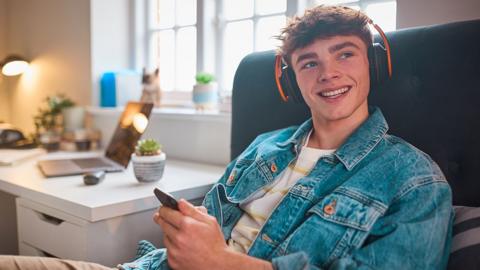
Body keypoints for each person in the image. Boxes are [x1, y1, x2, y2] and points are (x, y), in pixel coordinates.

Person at [0, 5, 453, 270]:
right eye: (309, 62)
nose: (328, 73)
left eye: (345, 54)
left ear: (372, 65)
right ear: (292, 82)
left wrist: (222, 263)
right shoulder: (265, 147)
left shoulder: (414, 180)